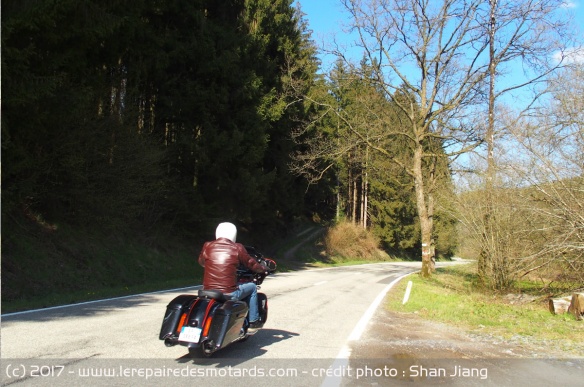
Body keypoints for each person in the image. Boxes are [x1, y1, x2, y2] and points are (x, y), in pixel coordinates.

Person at [198, 222, 268, 328]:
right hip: (229, 293)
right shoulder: (237, 247)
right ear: (234, 234)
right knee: (252, 287)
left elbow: (202, 262)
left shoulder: (208, 246)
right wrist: (263, 269)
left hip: (208, 290)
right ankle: (253, 321)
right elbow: (251, 264)